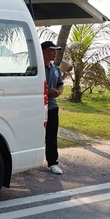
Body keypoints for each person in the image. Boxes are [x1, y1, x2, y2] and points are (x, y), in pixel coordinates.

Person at [42, 40, 64, 174]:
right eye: (51, 50)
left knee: (51, 136)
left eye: (56, 50)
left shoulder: (56, 69)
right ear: (43, 51)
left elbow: (60, 84)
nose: (55, 53)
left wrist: (58, 92)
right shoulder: (35, 68)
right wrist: (45, 92)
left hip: (52, 107)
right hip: (36, 108)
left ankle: (52, 163)